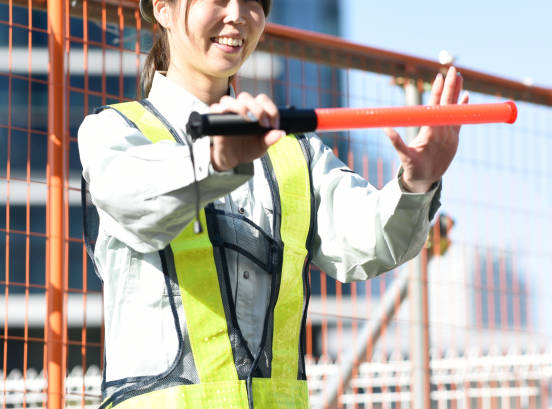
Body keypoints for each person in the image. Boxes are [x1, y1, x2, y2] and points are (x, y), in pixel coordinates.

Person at [78, 0, 469, 407]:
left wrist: (417, 182)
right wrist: (215, 159)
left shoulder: (295, 151)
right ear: (163, 8)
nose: (237, 14)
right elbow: (138, 205)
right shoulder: (115, 132)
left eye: (253, 1)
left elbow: (371, 242)